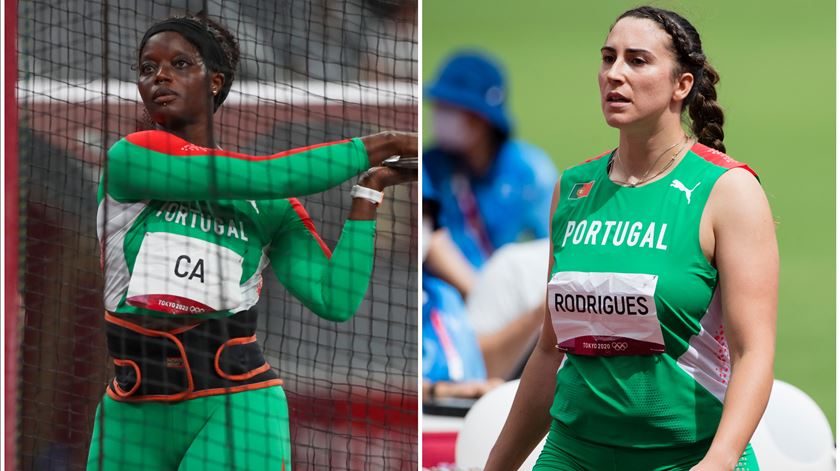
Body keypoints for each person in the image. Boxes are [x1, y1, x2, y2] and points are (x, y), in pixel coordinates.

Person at [88, 14, 416, 470]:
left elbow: (333, 298)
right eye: (147, 68)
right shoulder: (132, 158)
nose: (159, 76)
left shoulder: (273, 205)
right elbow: (264, 175)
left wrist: (370, 189)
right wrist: (383, 143)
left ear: (215, 82)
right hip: (131, 411)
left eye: (180, 64)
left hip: (237, 406)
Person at [485, 7, 777, 471]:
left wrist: (718, 461)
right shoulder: (574, 188)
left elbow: (754, 353)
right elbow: (548, 350)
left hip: (688, 457)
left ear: (681, 85)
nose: (614, 74)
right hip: (573, 453)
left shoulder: (728, 191)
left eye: (637, 61)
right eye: (608, 57)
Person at [422, 51, 557, 384]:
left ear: (480, 119)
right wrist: (479, 289)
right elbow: (429, 238)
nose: (439, 116)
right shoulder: (430, 165)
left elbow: (552, 244)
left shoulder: (530, 170)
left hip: (505, 297)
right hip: (454, 296)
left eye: (452, 108)